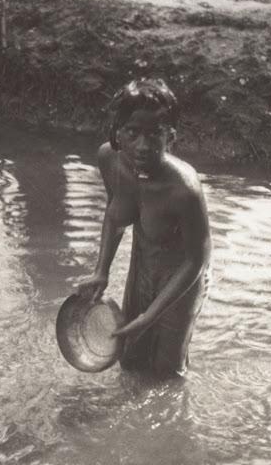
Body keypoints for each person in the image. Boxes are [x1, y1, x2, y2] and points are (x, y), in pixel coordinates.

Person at [76, 78, 211, 377]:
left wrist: (151, 315)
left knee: (167, 373)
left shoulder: (184, 188)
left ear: (171, 136)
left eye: (155, 134)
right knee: (130, 359)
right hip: (143, 263)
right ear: (117, 133)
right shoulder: (109, 160)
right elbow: (115, 216)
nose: (143, 146)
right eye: (133, 133)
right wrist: (102, 271)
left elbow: (197, 260)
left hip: (182, 277)